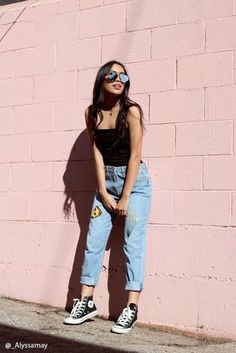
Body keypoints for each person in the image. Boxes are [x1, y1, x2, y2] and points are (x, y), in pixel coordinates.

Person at [63, 60, 152, 334]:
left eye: (123, 76)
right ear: (102, 79)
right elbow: (97, 153)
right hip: (106, 186)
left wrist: (125, 196)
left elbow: (136, 155)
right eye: (112, 75)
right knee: (93, 241)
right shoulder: (92, 113)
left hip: (134, 184)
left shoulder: (132, 111)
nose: (118, 79)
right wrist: (102, 190)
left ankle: (131, 307)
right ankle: (87, 301)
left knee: (132, 243)